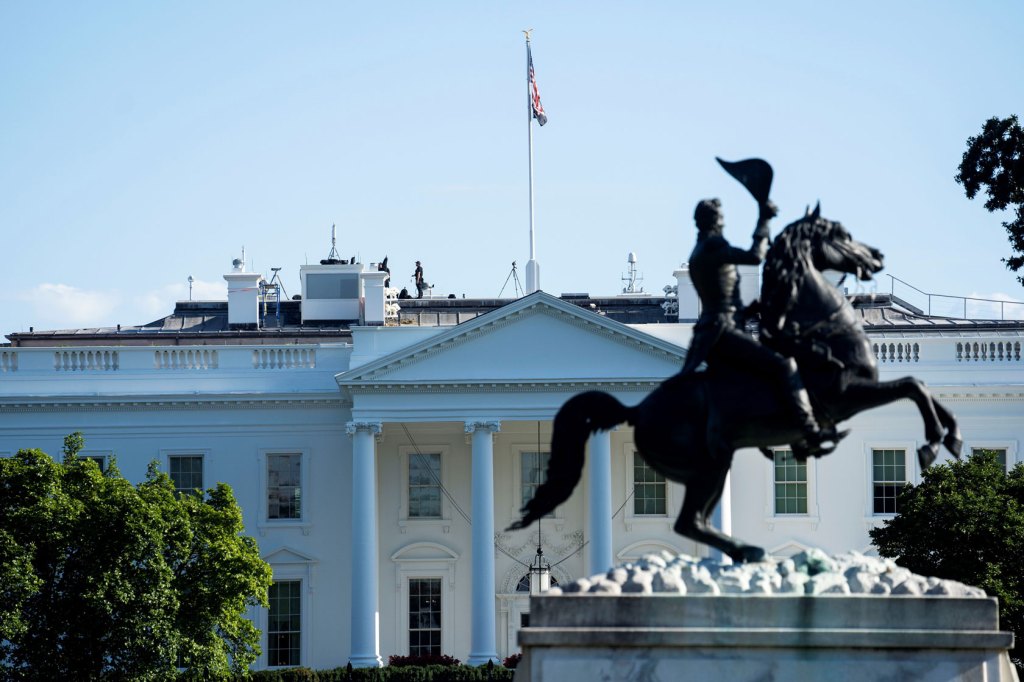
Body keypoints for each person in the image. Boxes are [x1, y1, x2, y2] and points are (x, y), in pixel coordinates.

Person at [682, 198, 835, 457]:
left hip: (716, 328)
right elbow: (755, 256)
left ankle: (765, 428)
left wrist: (750, 310)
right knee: (784, 365)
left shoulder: (699, 251)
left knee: (761, 369)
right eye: (720, 217)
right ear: (713, 221)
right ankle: (809, 430)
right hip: (725, 330)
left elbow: (719, 298)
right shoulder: (712, 246)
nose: (724, 221)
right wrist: (764, 219)